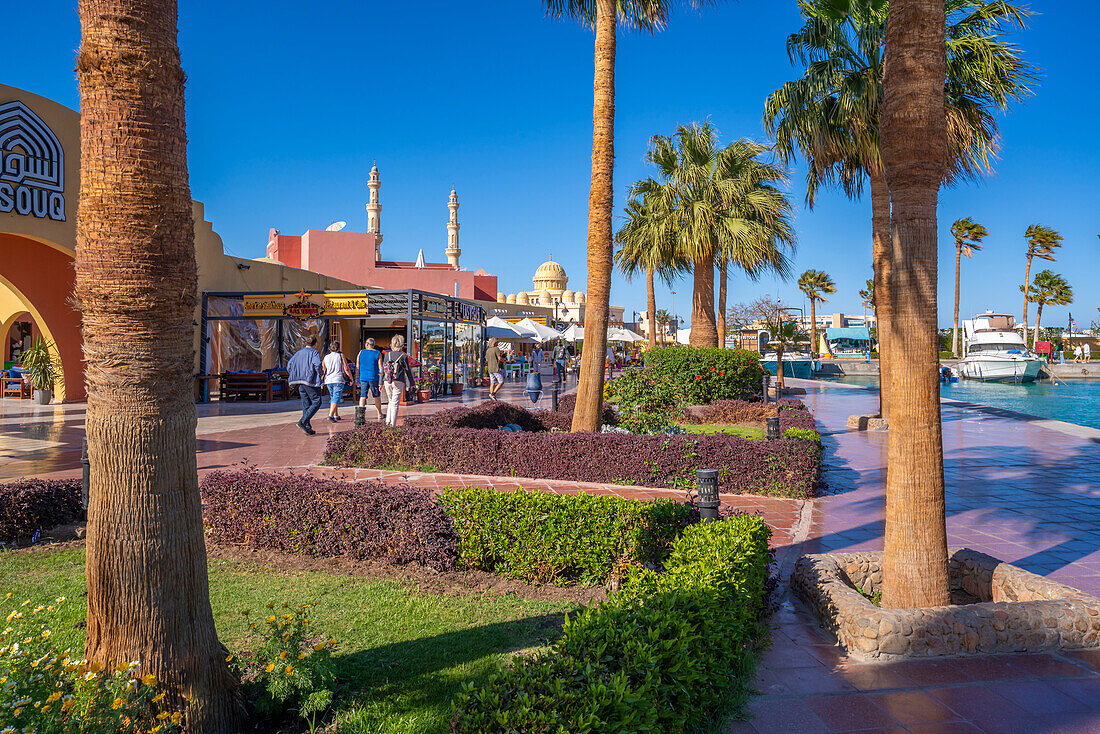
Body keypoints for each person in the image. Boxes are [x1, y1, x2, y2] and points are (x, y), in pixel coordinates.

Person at [287, 335, 323, 435]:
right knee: (317, 401)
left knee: (306, 403)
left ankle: (307, 427)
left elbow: (289, 365)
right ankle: (303, 421)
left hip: (299, 381)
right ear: (315, 344)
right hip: (309, 380)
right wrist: (320, 374)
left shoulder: (298, 353)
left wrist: (295, 374)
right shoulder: (314, 352)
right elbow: (318, 365)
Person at [382, 334, 415, 426]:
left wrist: (381, 383)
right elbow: (408, 371)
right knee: (395, 403)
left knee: (390, 401)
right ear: (401, 344)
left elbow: (383, 369)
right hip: (398, 381)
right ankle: (393, 424)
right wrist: (412, 383)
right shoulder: (403, 356)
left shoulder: (387, 355)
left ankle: (387, 421)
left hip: (387, 380)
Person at [322, 341, 352, 422]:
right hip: (338, 379)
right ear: (339, 348)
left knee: (333, 397)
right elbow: (346, 368)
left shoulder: (326, 357)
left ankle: (336, 415)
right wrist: (351, 378)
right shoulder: (341, 355)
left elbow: (323, 370)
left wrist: (321, 380)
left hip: (328, 380)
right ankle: (330, 415)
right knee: (336, 397)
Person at [356, 337, 384, 420]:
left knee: (363, 396)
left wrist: (357, 378)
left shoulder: (361, 352)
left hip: (363, 377)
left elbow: (357, 366)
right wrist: (381, 380)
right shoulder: (377, 353)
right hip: (374, 377)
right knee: (376, 396)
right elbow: (381, 368)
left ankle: (361, 416)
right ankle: (379, 414)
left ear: (367, 344)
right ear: (373, 345)